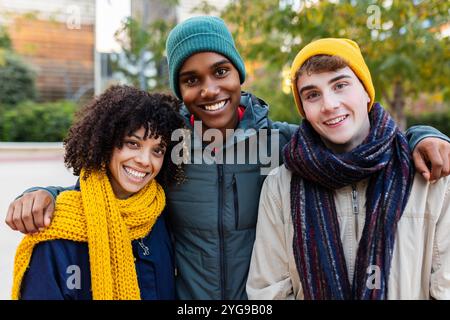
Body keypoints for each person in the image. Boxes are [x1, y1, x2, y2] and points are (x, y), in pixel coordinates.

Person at [5, 17, 450, 300]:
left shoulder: (282, 144)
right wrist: (43, 192)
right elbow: (110, 187)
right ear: (179, 89)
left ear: (239, 73)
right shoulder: (167, 147)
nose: (210, 89)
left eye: (221, 71)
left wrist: (420, 136)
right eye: (191, 79)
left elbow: (347, 140)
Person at [246, 38, 450, 300]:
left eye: (340, 85)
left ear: (366, 91)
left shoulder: (429, 174)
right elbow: (268, 291)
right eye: (312, 94)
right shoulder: (280, 186)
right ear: (304, 110)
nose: (329, 104)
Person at [11, 85, 185, 300]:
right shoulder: (54, 228)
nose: (144, 160)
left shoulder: (162, 216)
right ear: (106, 142)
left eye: (157, 150)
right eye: (133, 143)